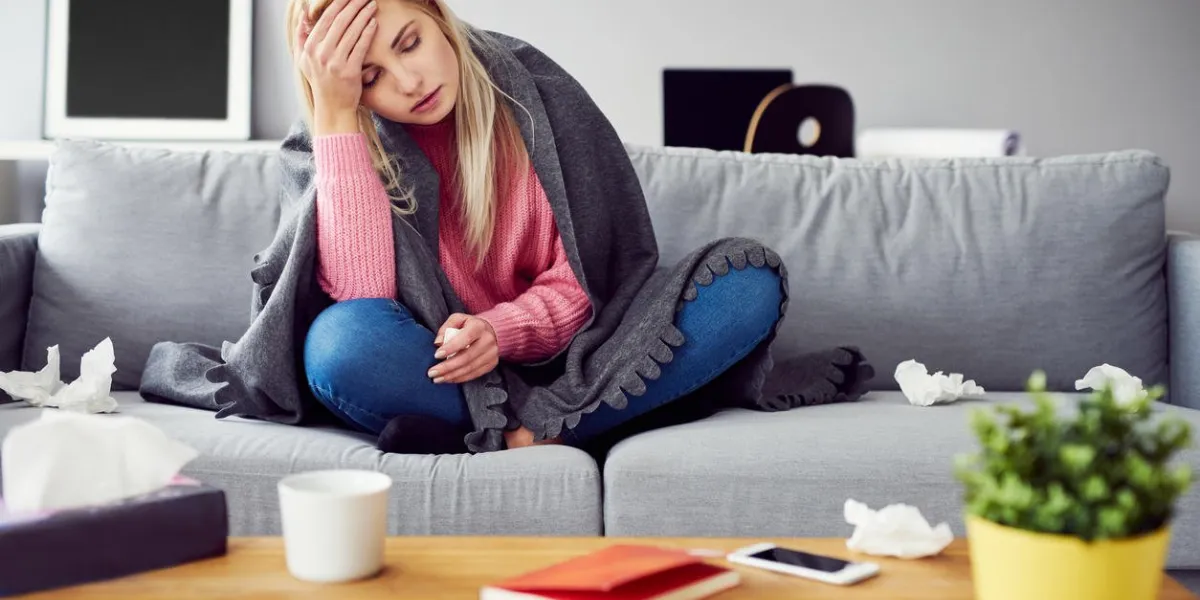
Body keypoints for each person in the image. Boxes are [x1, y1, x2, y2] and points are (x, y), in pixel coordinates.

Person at [284, 0, 785, 452]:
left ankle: (523, 433)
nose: (409, 82)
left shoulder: (536, 94)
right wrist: (335, 114)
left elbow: (589, 279)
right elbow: (367, 298)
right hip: (449, 371)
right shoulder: (337, 139)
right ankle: (577, 423)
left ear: (436, 14)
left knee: (747, 280)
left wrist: (499, 332)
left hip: (591, 354)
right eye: (370, 78)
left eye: (410, 43)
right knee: (340, 345)